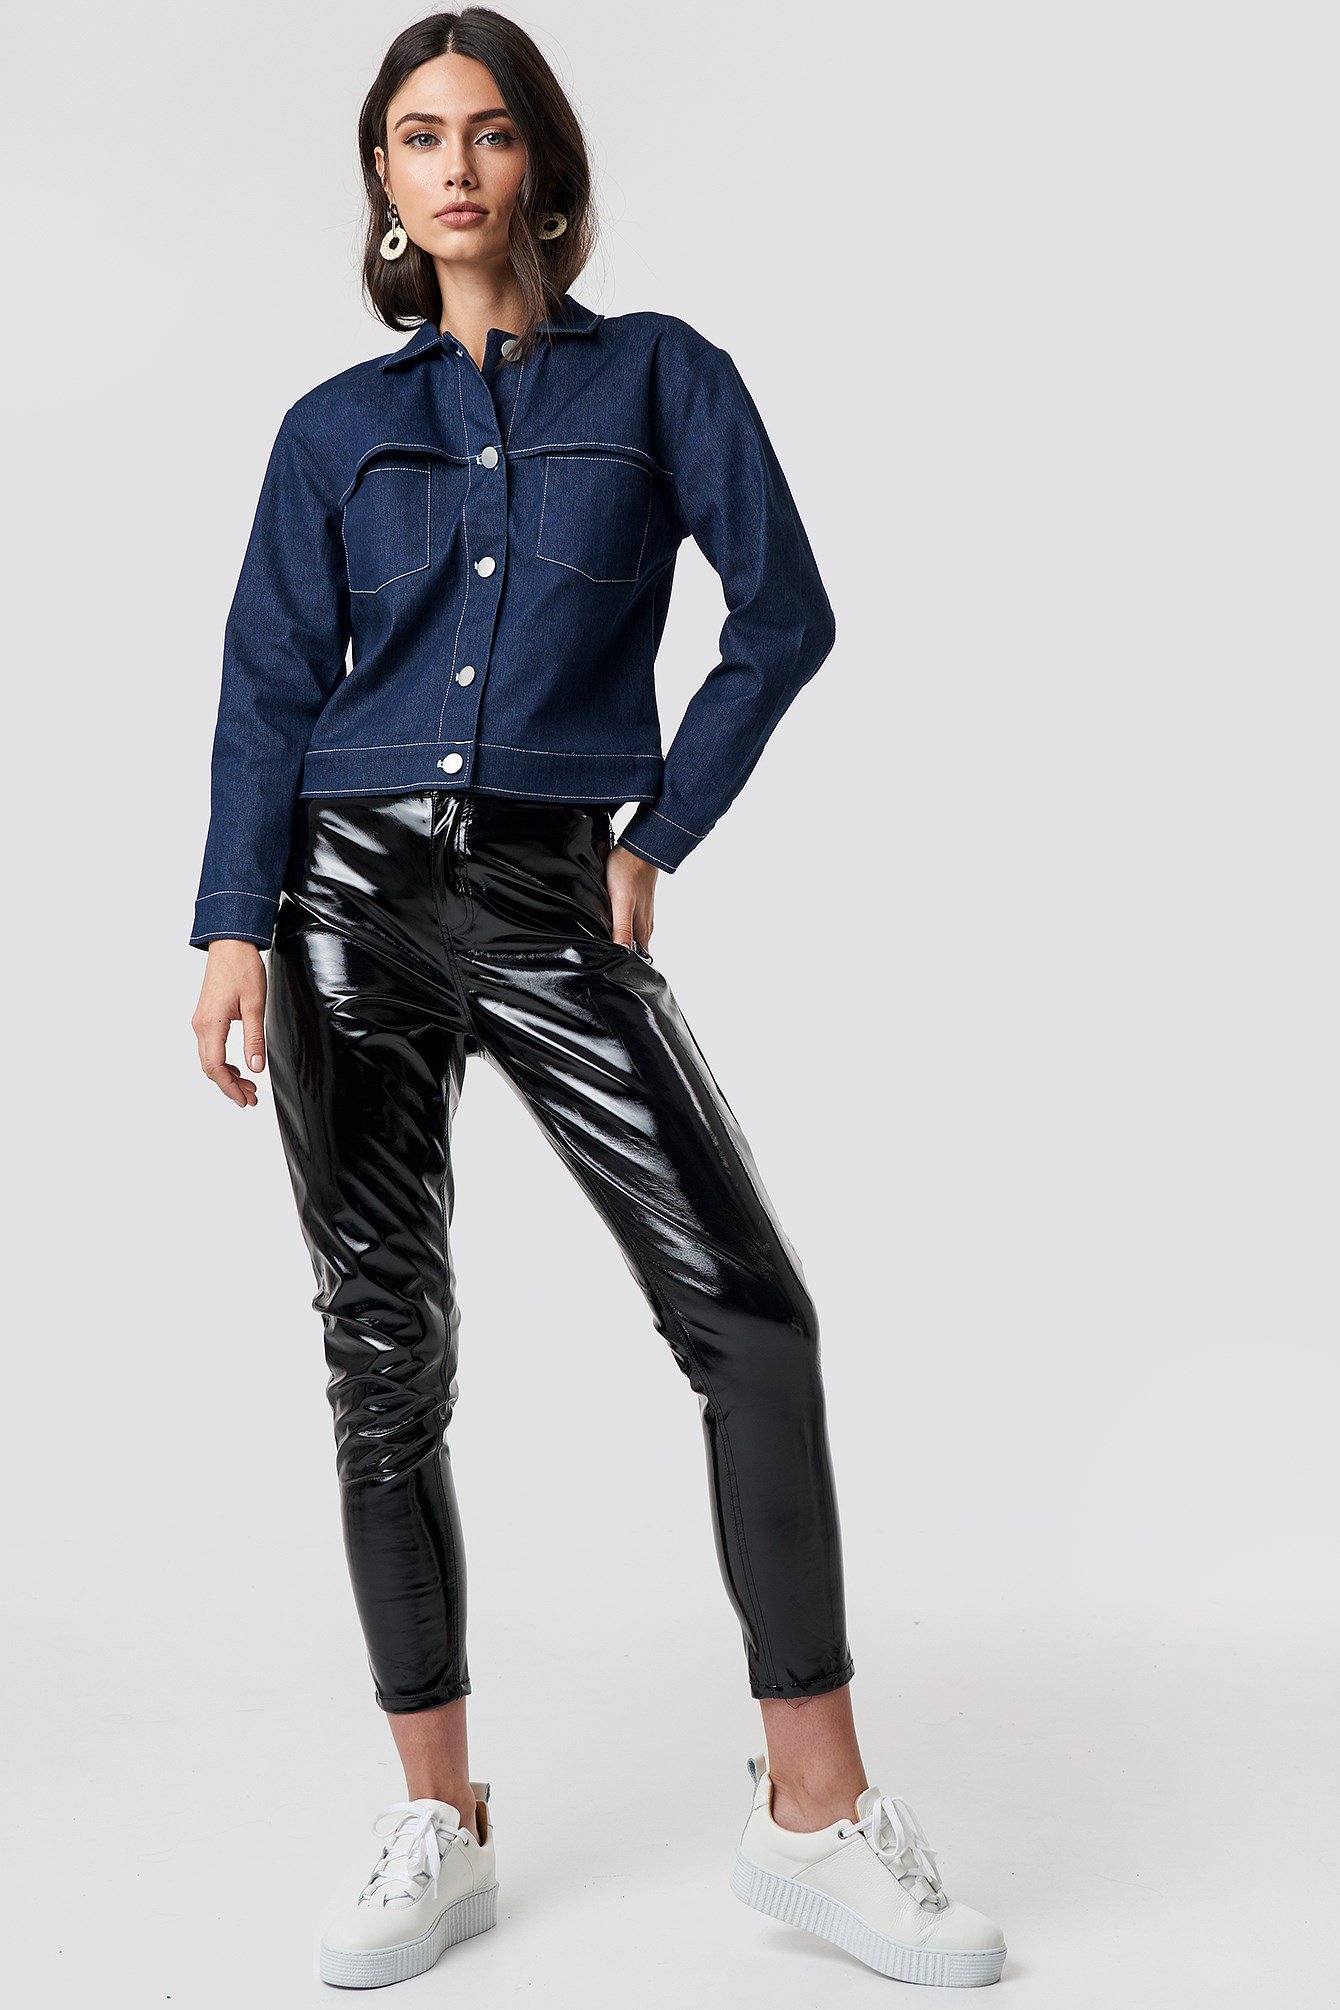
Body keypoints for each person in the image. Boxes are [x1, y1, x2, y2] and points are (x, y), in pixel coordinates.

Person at [188, 6, 1006, 1991]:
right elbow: (270, 684)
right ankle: (438, 1821)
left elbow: (782, 616)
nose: (453, 166)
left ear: (540, 166)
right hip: (343, 898)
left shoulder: (661, 380)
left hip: (555, 893)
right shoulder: (330, 429)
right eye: (416, 137)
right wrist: (229, 925)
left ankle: (814, 1815)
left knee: (750, 1315)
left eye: (486, 132)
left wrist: (660, 833)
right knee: (383, 1343)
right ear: (385, 185)